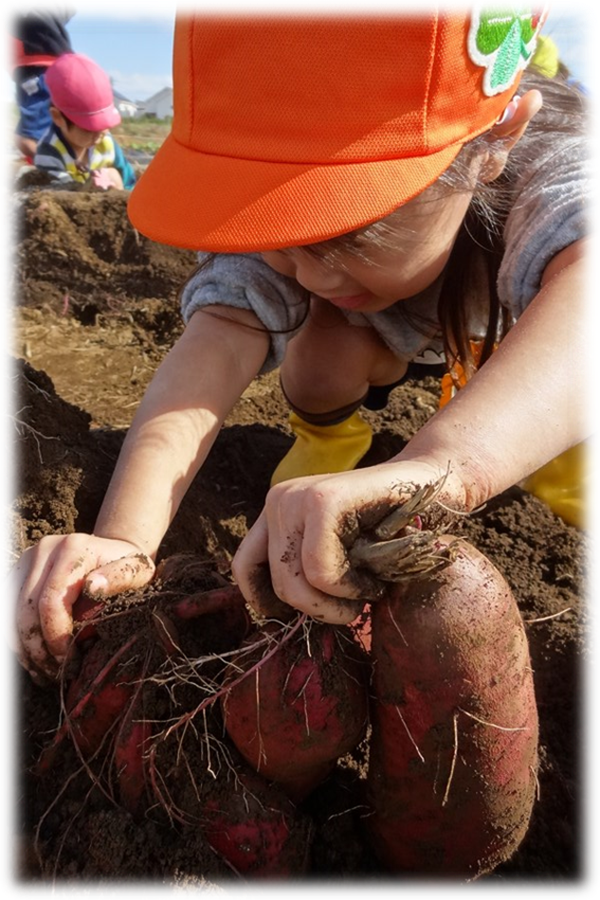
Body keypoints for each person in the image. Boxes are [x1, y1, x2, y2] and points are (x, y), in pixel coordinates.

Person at [2, 3, 596, 672]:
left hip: (533, 356)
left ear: (495, 139)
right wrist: (121, 541)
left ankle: (571, 464)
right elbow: (222, 330)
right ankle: (327, 446)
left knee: (563, 413)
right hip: (392, 339)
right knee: (321, 357)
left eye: (350, 232)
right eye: (286, 238)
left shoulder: (557, 165)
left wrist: (441, 464)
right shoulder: (288, 186)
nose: (308, 273)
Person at [32, 52, 136, 190]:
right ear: (58, 118)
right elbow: (57, 200)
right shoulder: (50, 153)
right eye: (88, 129)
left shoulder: (107, 143)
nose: (99, 135)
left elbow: (130, 182)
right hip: (75, 205)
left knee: (113, 174)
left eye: (104, 126)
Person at [2, 0, 76, 161]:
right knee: (45, 131)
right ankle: (50, 166)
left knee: (27, 139)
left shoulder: (28, 8)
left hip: (37, 67)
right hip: (38, 67)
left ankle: (59, 169)